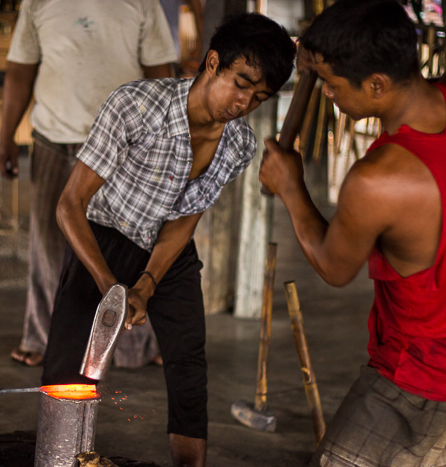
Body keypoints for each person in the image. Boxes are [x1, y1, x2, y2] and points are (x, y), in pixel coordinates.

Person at [43, 13, 296, 467]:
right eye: (241, 84)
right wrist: (109, 283)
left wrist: (146, 284)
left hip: (168, 252)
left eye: (259, 97)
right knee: (70, 366)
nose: (244, 103)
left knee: (187, 364)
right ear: (213, 62)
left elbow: (185, 220)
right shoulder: (137, 106)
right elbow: (69, 205)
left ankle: (189, 464)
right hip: (99, 239)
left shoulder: (238, 144)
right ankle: (59, 457)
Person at [258, 0, 446, 465]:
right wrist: (319, 56)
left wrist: (291, 187)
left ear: (376, 84)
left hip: (418, 380)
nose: (326, 93)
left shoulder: (379, 180)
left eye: (331, 84)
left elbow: (333, 266)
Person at [0, 0, 178, 367]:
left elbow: (160, 70)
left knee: (129, 242)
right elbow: (20, 69)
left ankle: (133, 342)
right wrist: (5, 136)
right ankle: (44, 336)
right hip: (54, 138)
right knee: (49, 245)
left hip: (126, 142)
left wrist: (162, 137)